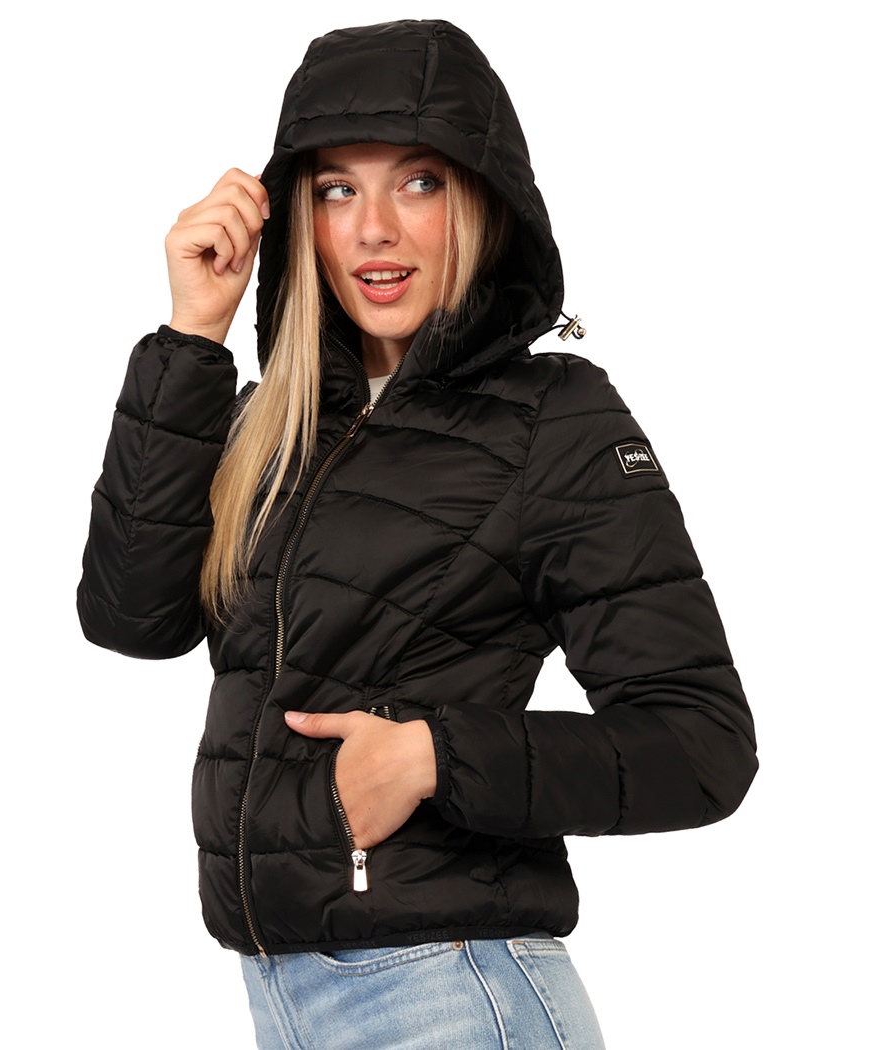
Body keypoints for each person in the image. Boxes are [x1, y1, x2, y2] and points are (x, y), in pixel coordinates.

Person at [77, 19, 757, 1049]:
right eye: (336, 190)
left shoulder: (554, 419)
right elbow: (131, 617)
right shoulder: (278, 424)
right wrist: (192, 334)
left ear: (480, 199)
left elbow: (702, 746)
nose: (374, 229)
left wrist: (433, 757)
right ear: (298, 216)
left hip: (451, 994)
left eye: (420, 183)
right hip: (289, 1001)